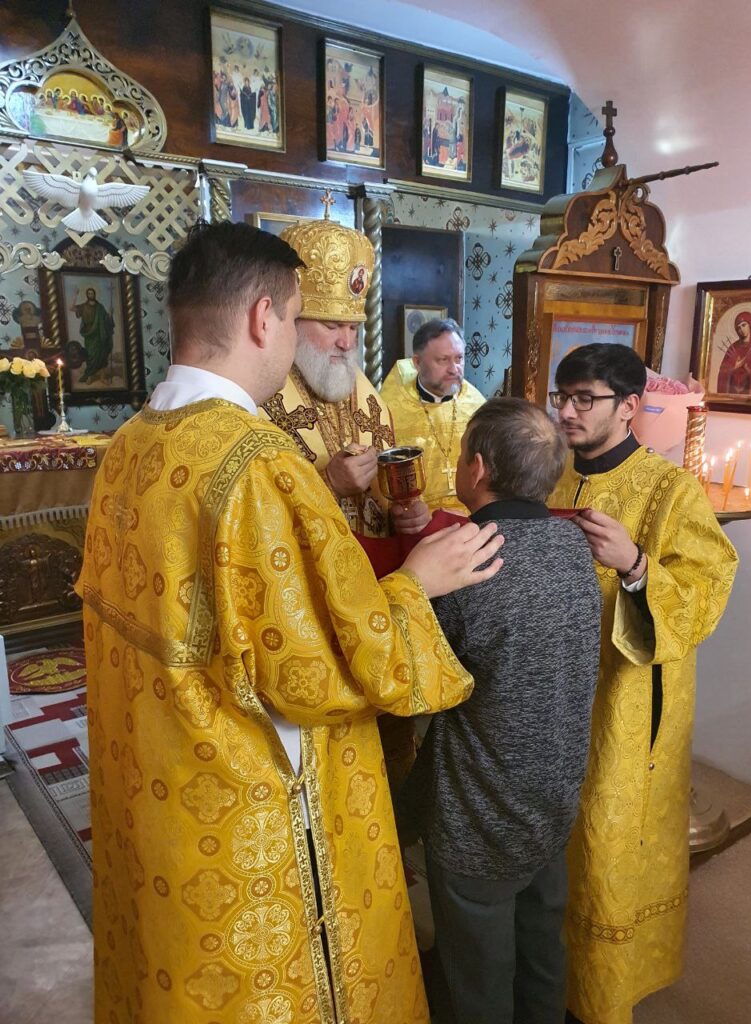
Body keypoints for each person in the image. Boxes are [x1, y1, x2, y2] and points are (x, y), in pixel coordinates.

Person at [75, 221, 504, 1024]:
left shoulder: (128, 443)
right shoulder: (258, 462)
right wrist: (415, 586)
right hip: (250, 796)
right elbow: (318, 672)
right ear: (263, 317)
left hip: (164, 786)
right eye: (307, 314)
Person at [547, 343, 738, 1024]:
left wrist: (634, 564)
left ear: (629, 406)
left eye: (584, 399)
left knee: (605, 846)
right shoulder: (551, 477)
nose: (567, 412)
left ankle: (596, 1000)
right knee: (551, 849)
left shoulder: (669, 490)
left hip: (624, 706)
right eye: (562, 397)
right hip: (554, 697)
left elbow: (705, 592)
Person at [401, 397, 602, 1024]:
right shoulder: (573, 546)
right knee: (542, 948)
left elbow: (410, 680)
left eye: (463, 452)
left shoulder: (469, 559)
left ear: (478, 467)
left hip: (480, 814)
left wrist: (410, 582)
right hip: (554, 798)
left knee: (478, 975)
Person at [263, 210, 431, 791]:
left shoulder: (366, 394)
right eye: (331, 324)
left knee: (384, 752)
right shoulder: (261, 396)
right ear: (291, 320)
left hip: (374, 603)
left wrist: (407, 514)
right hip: (304, 611)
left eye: (353, 327)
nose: (345, 342)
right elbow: (251, 517)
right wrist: (328, 485)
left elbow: (387, 496)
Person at [380, 318, 486, 514]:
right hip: (416, 521)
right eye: (443, 360)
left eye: (459, 358)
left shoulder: (478, 406)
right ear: (417, 363)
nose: (454, 369)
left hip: (475, 518)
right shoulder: (390, 408)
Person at [716, 309, 751, 396]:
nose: (741, 329)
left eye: (744, 325)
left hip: (750, 395)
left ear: (750, 325)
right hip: (732, 393)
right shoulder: (733, 348)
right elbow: (723, 372)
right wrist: (735, 366)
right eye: (738, 328)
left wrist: (748, 369)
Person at [70, 286, 114, 383]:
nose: (91, 295)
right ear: (87, 295)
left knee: (102, 355)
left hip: (100, 334)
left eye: (92, 293)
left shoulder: (100, 307)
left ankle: (102, 377)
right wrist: (75, 295)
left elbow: (106, 319)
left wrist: (110, 314)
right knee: (90, 355)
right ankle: (90, 376)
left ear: (95, 294)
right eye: (89, 293)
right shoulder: (83, 306)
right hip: (89, 334)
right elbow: (72, 308)